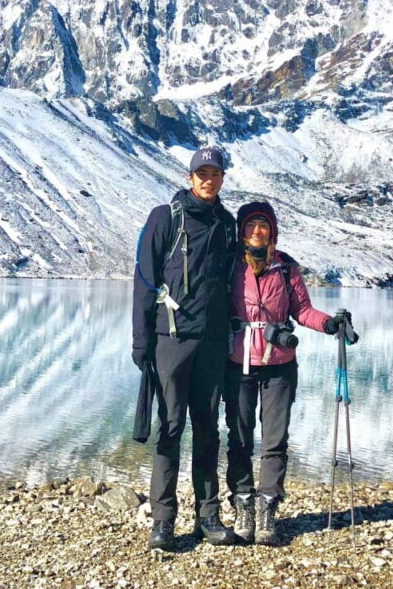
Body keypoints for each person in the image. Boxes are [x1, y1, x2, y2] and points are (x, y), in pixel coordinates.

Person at [225, 201, 354, 546]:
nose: (257, 231)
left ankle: (268, 506)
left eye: (263, 225)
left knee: (275, 440)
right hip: (238, 363)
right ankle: (242, 505)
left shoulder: (286, 268)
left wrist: (329, 324)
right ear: (241, 230)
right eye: (251, 225)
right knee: (238, 439)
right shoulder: (230, 266)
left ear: (272, 230)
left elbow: (302, 310)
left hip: (280, 365)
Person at [132, 146, 238, 551]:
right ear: (190, 177)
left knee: (209, 428)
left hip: (212, 343)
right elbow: (144, 278)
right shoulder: (166, 218)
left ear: (223, 178)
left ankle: (208, 516)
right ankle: (163, 520)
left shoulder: (226, 224)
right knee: (171, 428)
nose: (209, 180)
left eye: (215, 173)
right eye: (202, 173)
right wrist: (141, 341)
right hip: (170, 341)